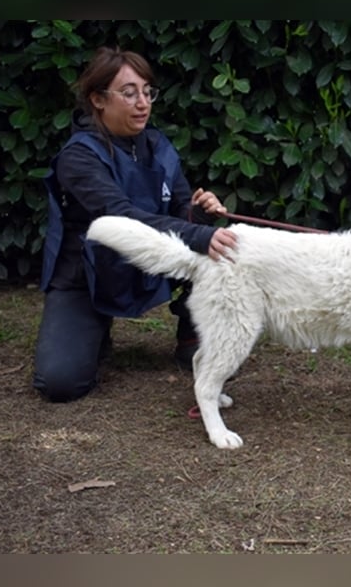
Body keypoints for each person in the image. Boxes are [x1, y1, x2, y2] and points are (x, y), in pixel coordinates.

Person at [33, 46, 237, 403]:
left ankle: (193, 338)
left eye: (147, 92)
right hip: (88, 273)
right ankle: (97, 326)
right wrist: (199, 234)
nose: (142, 102)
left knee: (218, 250)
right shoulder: (77, 157)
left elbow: (179, 209)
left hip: (153, 261)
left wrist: (201, 214)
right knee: (60, 384)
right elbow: (123, 218)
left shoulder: (158, 143)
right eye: (129, 93)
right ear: (97, 99)